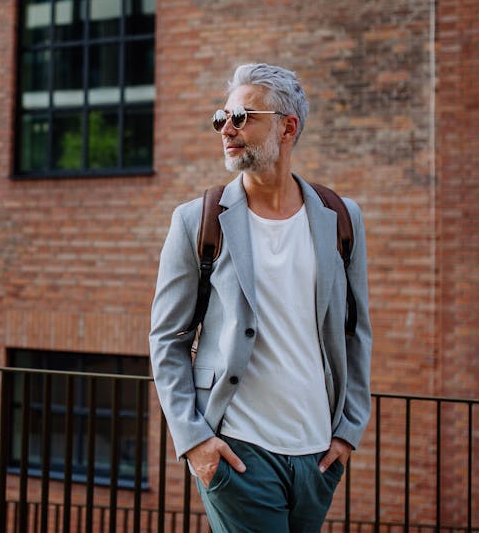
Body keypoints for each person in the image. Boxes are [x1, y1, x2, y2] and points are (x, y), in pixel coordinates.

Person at [148, 63, 372, 532]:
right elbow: (167, 338)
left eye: (242, 117)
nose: (226, 129)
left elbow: (355, 331)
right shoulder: (197, 221)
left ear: (287, 127)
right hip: (238, 452)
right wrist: (194, 441)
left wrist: (348, 431)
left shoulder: (340, 217)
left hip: (318, 455)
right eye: (221, 118)